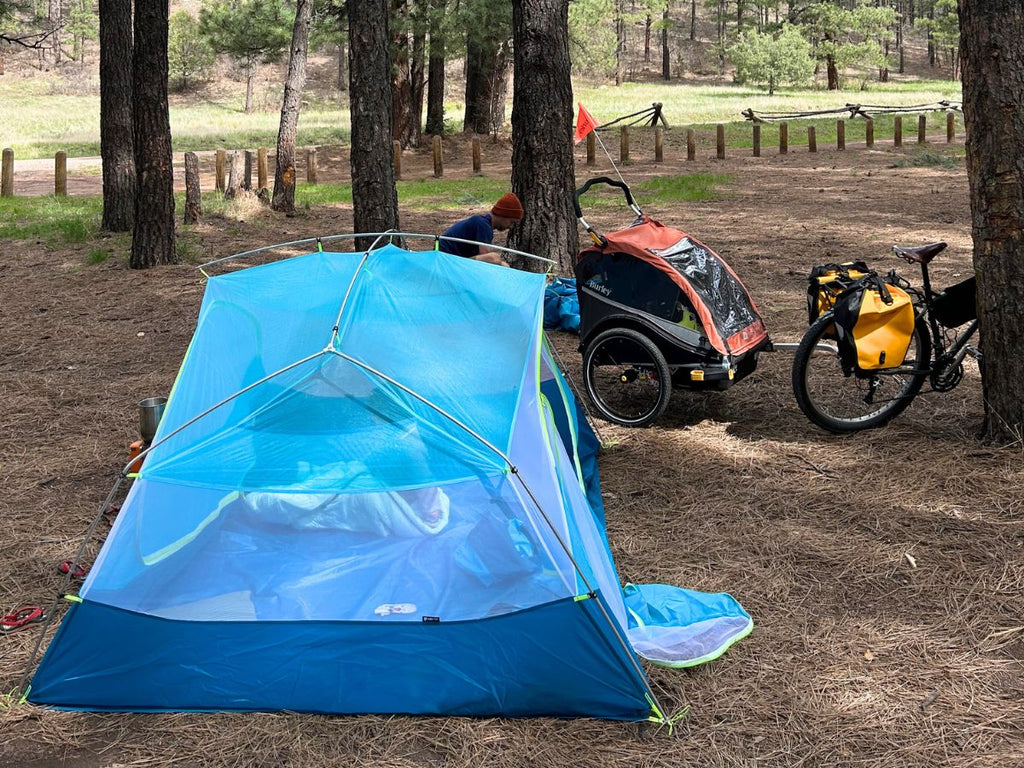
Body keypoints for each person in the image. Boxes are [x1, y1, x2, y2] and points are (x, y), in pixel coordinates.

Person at [438, 193, 523, 266]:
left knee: (501, 263)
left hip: (451, 258)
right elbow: (486, 256)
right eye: (511, 222)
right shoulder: (483, 224)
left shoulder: (483, 223)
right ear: (503, 215)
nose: (510, 226)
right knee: (494, 258)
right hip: (446, 260)